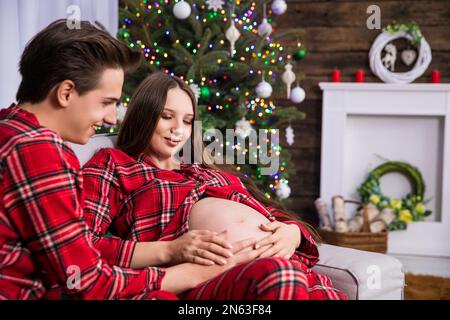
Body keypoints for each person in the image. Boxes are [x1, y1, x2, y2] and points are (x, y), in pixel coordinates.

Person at [0, 20, 262, 300]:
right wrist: (190, 272)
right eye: (106, 102)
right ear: (66, 93)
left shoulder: (9, 127)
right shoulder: (38, 150)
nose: (112, 118)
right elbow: (86, 283)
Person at [82, 73, 348, 300]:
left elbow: (274, 216)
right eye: (166, 117)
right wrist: (170, 250)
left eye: (187, 121)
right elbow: (83, 246)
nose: (178, 130)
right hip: (213, 279)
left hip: (289, 268)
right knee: (281, 276)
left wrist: (293, 233)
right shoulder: (115, 164)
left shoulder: (206, 168)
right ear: (144, 114)